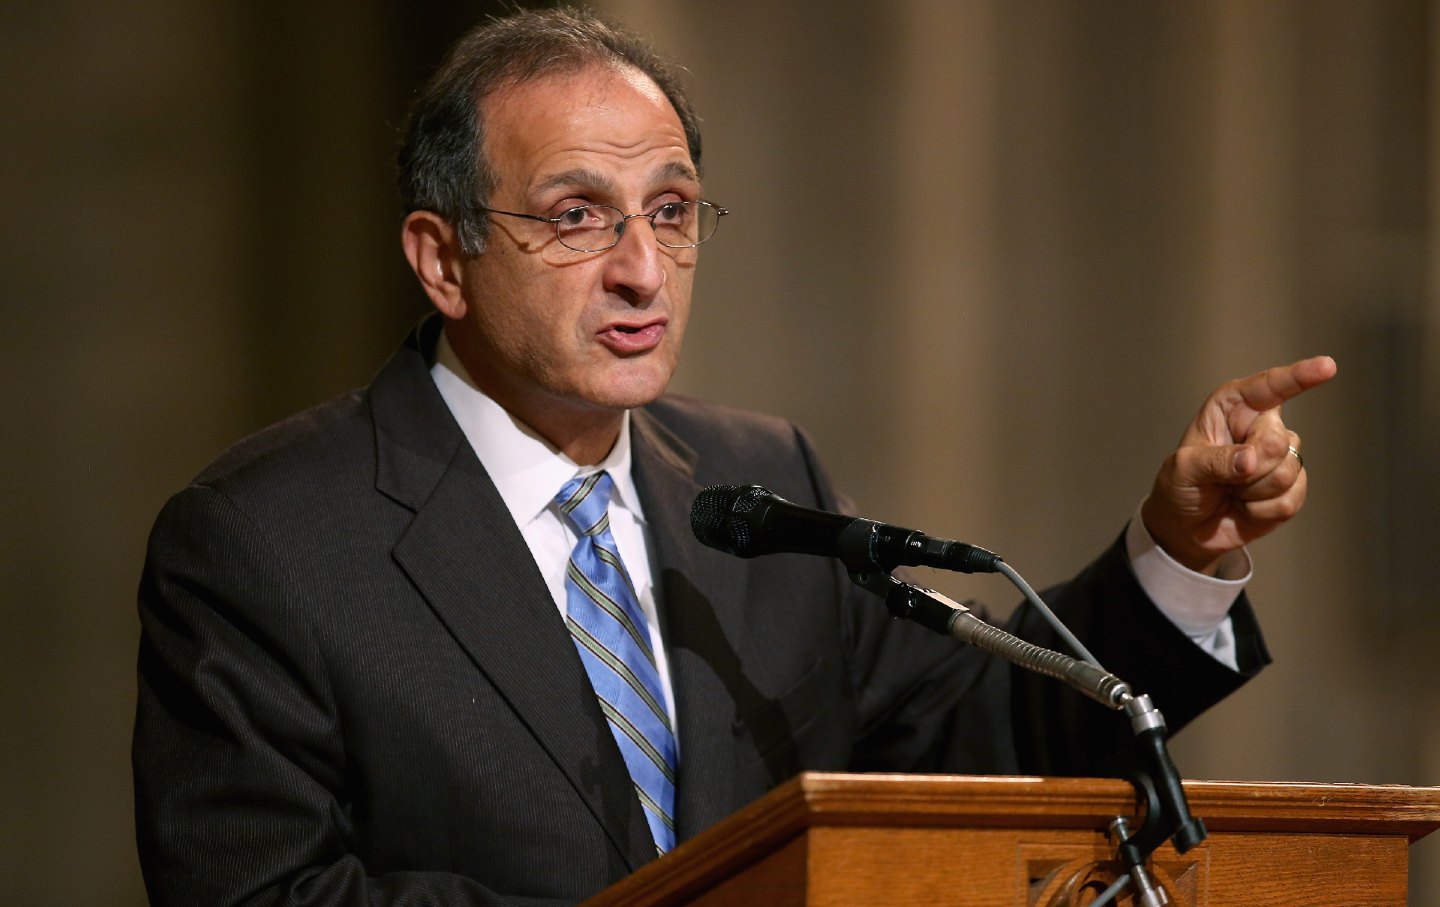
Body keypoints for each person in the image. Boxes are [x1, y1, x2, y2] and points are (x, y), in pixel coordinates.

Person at [132, 7, 1336, 906]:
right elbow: (261, 892)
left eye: (669, 209)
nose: (643, 270)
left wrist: (1178, 551)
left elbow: (990, 745)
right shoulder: (265, 539)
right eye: (575, 216)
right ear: (442, 259)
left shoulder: (757, 484)